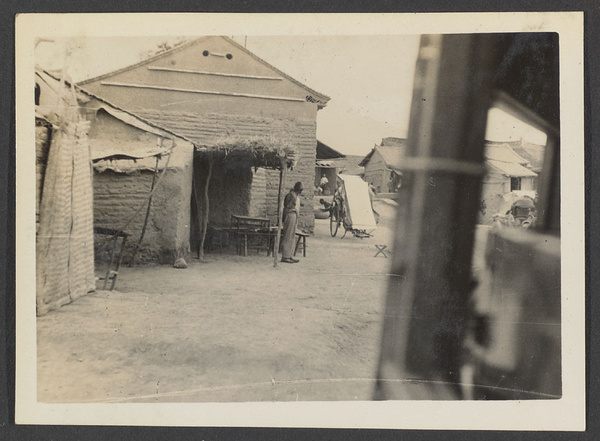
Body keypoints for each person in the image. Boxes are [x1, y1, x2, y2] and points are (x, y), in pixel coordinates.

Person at [281, 181, 303, 263]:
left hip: (294, 215)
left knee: (292, 236)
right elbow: (287, 206)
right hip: (290, 215)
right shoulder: (290, 195)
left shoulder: (296, 196)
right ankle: (285, 256)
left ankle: (290, 255)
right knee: (288, 235)